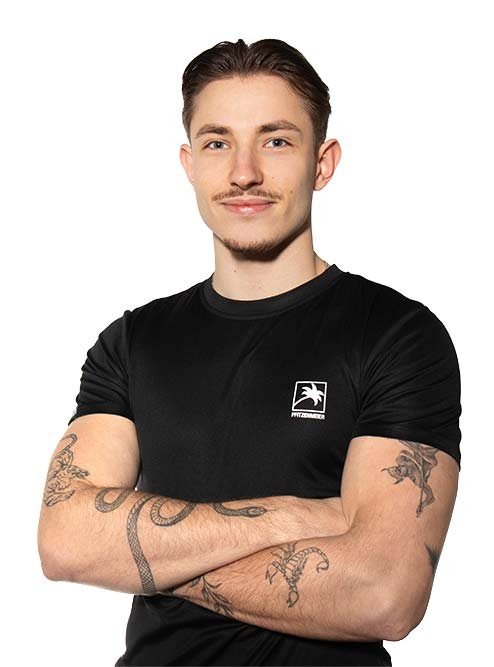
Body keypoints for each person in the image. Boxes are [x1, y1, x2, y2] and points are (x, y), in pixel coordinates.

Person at [37, 38, 462, 667]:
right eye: (217, 143)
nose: (243, 173)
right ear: (189, 163)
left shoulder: (397, 335)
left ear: (323, 162)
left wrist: (143, 557)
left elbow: (384, 594)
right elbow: (66, 541)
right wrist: (292, 518)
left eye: (276, 140)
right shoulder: (130, 343)